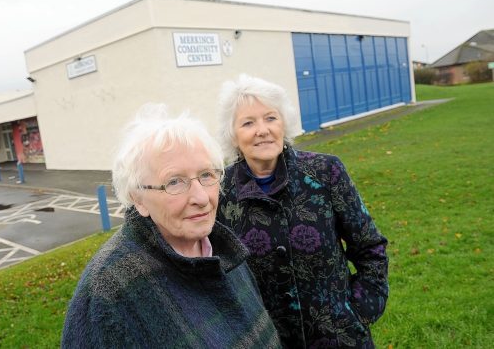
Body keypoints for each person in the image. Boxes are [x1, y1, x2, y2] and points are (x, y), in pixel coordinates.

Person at [61, 104, 281, 348]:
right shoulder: (108, 293)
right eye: (174, 182)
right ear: (138, 198)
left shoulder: (224, 248)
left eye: (207, 175)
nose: (201, 197)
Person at [216, 74, 389, 348]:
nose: (262, 130)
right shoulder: (218, 191)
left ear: (283, 124)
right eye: (248, 123)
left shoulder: (325, 172)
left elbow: (369, 247)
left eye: (271, 118)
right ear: (233, 135)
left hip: (340, 338)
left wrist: (360, 311)